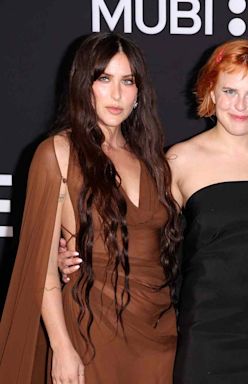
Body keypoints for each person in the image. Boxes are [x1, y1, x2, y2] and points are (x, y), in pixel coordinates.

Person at [0, 32, 180, 383]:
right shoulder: (57, 153)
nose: (116, 94)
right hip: (91, 332)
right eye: (104, 79)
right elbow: (42, 269)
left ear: (139, 91)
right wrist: (62, 347)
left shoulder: (152, 159)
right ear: (85, 85)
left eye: (127, 81)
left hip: (160, 334)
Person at [166, 39, 248, 383]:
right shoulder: (179, 160)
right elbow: (148, 242)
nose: (241, 104)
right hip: (206, 335)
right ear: (210, 91)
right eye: (229, 91)